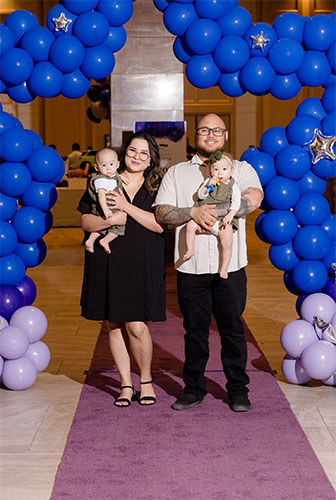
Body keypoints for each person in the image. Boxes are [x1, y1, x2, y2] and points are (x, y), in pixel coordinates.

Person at [154, 113, 263, 412]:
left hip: (231, 268)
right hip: (191, 268)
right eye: (204, 130)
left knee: (233, 330)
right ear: (195, 135)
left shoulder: (240, 168)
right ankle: (193, 389)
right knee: (195, 331)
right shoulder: (177, 173)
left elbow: (255, 196)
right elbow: (162, 213)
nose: (211, 134)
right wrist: (192, 212)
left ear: (226, 135)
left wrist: (218, 210)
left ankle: (238, 390)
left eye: (217, 130)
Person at [78, 131, 165, 407]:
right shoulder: (104, 179)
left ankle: (146, 380)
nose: (137, 157)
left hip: (142, 262)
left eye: (144, 153)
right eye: (132, 151)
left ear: (151, 159)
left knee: (137, 325)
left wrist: (126, 207)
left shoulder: (158, 185)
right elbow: (86, 221)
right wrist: (109, 222)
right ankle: (126, 384)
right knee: (113, 324)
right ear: (122, 152)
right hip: (106, 258)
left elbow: (160, 225)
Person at [183, 150, 240, 279]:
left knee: (227, 240)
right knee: (190, 226)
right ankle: (190, 248)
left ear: (231, 171)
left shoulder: (233, 185)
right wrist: (208, 186)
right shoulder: (208, 181)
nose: (220, 173)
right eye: (216, 169)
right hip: (203, 214)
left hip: (222, 219)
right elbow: (200, 195)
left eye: (224, 169)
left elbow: (237, 200)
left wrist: (231, 213)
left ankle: (224, 268)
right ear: (210, 171)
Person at [85, 148, 125, 254]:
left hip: (108, 205)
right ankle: (105, 240)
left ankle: (90, 241)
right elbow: (101, 196)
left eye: (111, 164)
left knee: (101, 228)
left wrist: (121, 178)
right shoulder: (101, 180)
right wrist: (106, 210)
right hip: (106, 205)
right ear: (97, 167)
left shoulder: (113, 175)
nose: (108, 168)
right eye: (104, 165)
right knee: (119, 225)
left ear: (117, 164)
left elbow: (116, 177)